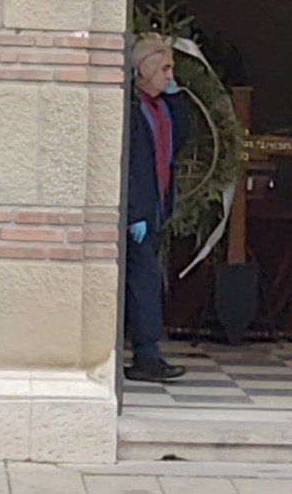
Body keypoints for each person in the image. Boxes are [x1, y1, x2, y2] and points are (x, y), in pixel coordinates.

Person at [125, 37, 189, 382]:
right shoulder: (133, 108)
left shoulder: (161, 107)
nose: (169, 76)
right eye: (165, 68)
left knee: (145, 283)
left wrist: (176, 97)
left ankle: (146, 354)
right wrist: (135, 211)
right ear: (146, 68)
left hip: (157, 209)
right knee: (145, 283)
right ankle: (146, 356)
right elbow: (130, 164)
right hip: (139, 213)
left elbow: (180, 140)